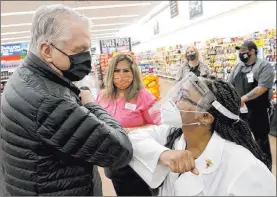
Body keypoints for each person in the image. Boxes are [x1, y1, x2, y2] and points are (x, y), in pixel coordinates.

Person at [0, 5, 133, 196]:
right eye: (78, 50)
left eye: (88, 49)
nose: (85, 58)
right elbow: (119, 151)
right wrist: (90, 104)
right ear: (47, 51)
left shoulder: (24, 77)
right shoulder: (49, 101)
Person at [126, 72, 275, 196]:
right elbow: (133, 138)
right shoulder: (174, 133)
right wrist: (163, 154)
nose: (174, 101)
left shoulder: (244, 168)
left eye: (183, 97)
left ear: (205, 117)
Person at [96, 54, 157, 196]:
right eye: (117, 71)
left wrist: (130, 130)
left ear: (133, 72)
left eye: (126, 70)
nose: (121, 75)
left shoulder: (144, 96)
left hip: (138, 160)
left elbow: (158, 126)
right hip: (113, 160)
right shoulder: (102, 96)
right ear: (111, 73)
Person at [228, 40, 275, 169]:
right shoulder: (238, 67)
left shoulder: (264, 66)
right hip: (241, 111)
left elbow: (261, 88)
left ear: (252, 51)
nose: (240, 54)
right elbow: (230, 83)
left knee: (260, 141)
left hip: (258, 111)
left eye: (243, 51)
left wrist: (242, 99)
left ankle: (265, 169)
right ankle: (248, 169)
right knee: (243, 139)